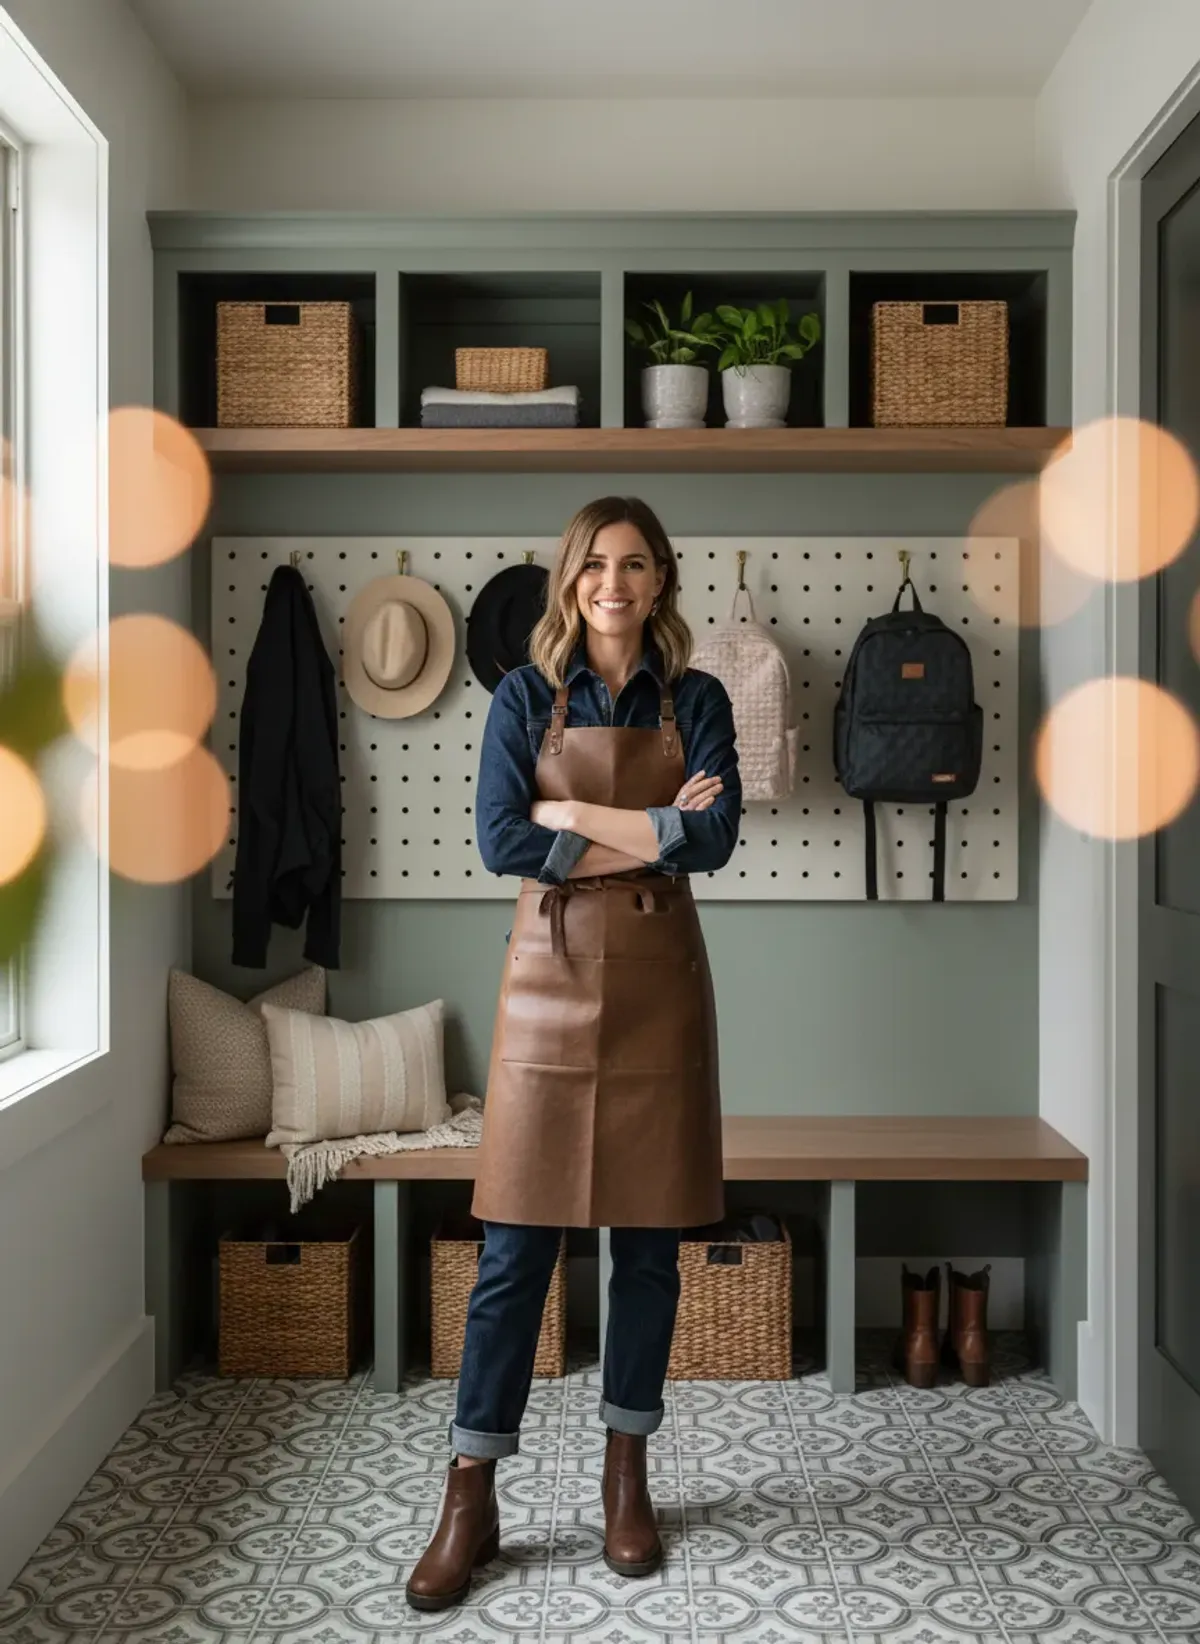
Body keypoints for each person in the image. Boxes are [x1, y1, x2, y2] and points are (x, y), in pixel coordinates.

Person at [406, 495, 741, 1612]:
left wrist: (578, 818)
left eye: (637, 563)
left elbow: (718, 838)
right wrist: (649, 828)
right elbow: (503, 837)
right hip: (544, 989)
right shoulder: (520, 698)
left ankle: (625, 1474)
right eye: (597, 563)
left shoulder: (698, 699)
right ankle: (471, 1490)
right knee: (514, 1249)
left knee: (647, 1249)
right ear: (571, 578)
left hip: (660, 991)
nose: (616, 582)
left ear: (661, 580)